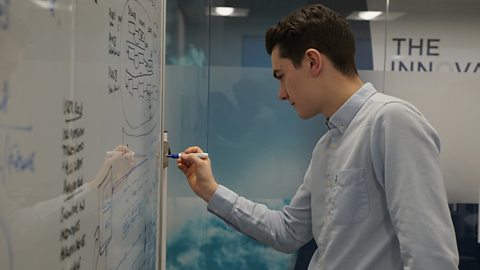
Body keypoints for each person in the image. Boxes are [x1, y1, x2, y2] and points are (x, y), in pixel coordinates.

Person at [176, 4, 459, 270]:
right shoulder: (328, 145)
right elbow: (287, 232)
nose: (281, 93)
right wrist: (209, 190)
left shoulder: (392, 121)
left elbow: (431, 258)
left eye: (281, 75)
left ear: (312, 62)